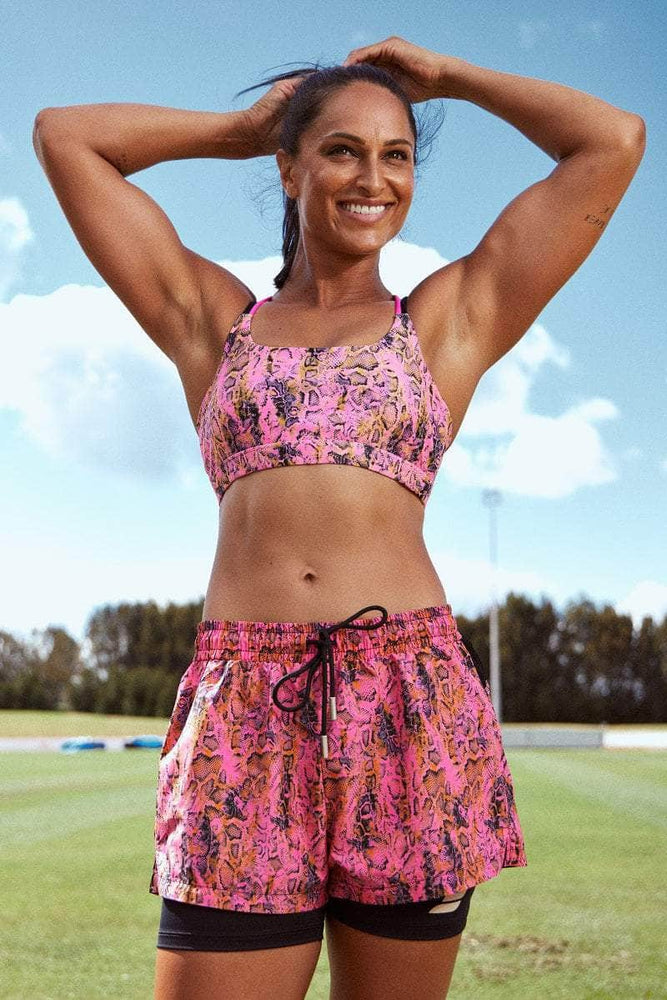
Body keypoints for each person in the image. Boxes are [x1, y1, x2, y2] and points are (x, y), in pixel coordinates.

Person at [33, 34, 645, 1000]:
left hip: (408, 699)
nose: (373, 178)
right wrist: (241, 128)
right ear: (290, 168)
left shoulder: (446, 323)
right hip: (245, 705)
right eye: (341, 150)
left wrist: (452, 78)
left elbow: (611, 140)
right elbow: (66, 137)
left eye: (396, 155)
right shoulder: (212, 325)